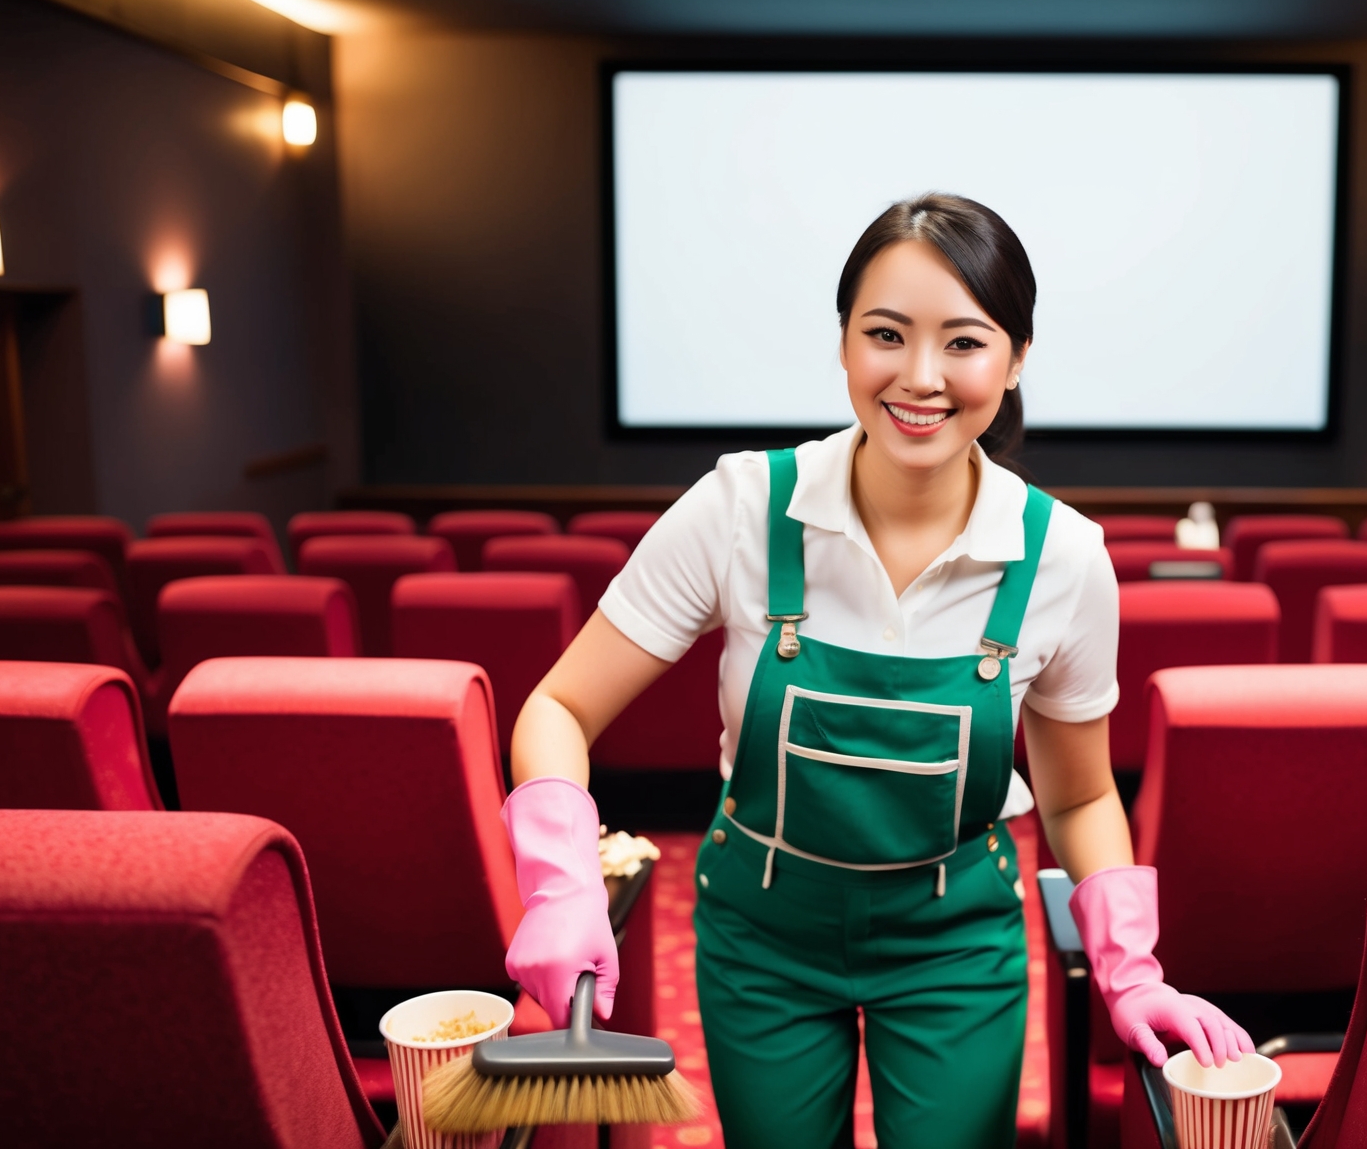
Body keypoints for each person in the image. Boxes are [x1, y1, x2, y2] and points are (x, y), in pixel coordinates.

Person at [498, 193, 1251, 1148]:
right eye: (886, 334)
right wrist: (562, 885)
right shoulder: (739, 507)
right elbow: (560, 704)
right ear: (845, 343)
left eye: (965, 342)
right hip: (759, 936)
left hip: (956, 945)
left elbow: (1080, 798)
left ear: (1017, 357)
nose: (921, 377)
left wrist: (1130, 966)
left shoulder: (1063, 557)